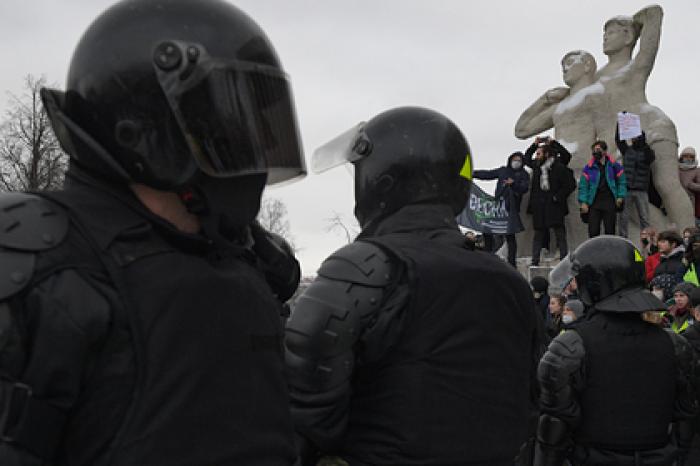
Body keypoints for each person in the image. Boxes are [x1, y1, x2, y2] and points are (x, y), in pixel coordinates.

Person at [0, 1, 306, 465]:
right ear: (143, 130)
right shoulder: (33, 267)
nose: (257, 146)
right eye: (236, 122)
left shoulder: (252, 261)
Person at [286, 107, 543, 465]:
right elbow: (530, 401)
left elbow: (302, 418)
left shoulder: (363, 266)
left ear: (382, 180)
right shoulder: (511, 283)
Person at [537, 236, 698, 466]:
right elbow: (686, 421)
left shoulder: (571, 346)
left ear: (593, 283)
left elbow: (553, 430)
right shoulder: (675, 345)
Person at [524, 137, 576, 265]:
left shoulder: (558, 166)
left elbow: (569, 184)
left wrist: (553, 143)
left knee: (560, 234)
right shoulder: (537, 167)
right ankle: (535, 261)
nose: (536, 156)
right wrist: (535, 145)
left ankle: (564, 260)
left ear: (547, 154)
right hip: (540, 206)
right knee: (538, 234)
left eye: (539, 154)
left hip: (554, 205)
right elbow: (526, 159)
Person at [473, 151, 531, 266]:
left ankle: (512, 263)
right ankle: (488, 258)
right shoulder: (503, 171)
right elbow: (488, 174)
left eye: (519, 160)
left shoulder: (524, 174)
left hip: (510, 209)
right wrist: (473, 173)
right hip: (497, 207)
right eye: (515, 159)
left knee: (509, 235)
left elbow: (524, 188)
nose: (516, 162)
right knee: (487, 230)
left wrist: (513, 184)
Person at [578, 140, 627, 237]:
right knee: (593, 230)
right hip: (594, 202)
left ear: (604, 151)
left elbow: (622, 182)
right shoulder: (588, 168)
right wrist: (583, 202)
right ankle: (594, 251)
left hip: (609, 201)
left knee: (610, 230)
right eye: (594, 150)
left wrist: (620, 196)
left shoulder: (614, 166)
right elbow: (583, 186)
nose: (595, 152)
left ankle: (609, 251)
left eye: (598, 149)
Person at [616, 125, 655, 238]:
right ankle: (623, 239)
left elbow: (650, 158)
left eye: (636, 137)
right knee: (623, 217)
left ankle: (646, 241)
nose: (633, 139)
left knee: (644, 218)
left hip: (641, 190)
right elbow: (619, 140)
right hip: (626, 189)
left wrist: (643, 143)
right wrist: (620, 124)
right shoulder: (627, 150)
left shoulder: (647, 152)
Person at [679, 146, 700, 227]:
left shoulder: (697, 170)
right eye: (686, 155)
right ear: (682, 156)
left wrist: (690, 185)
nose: (688, 158)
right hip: (676, 199)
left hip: (691, 202)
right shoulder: (676, 168)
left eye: (691, 156)